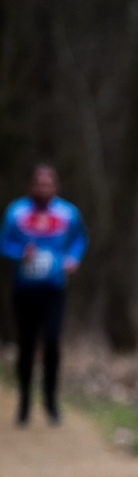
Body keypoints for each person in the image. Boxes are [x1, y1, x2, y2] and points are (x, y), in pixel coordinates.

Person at [3, 163, 87, 426]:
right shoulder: (16, 212)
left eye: (48, 183)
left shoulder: (68, 213)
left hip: (54, 287)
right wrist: (19, 253)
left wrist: (73, 258)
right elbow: (4, 242)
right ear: (30, 185)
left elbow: (79, 239)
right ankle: (25, 403)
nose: (44, 188)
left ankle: (51, 401)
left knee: (51, 342)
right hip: (25, 288)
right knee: (26, 346)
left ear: (56, 186)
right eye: (39, 183)